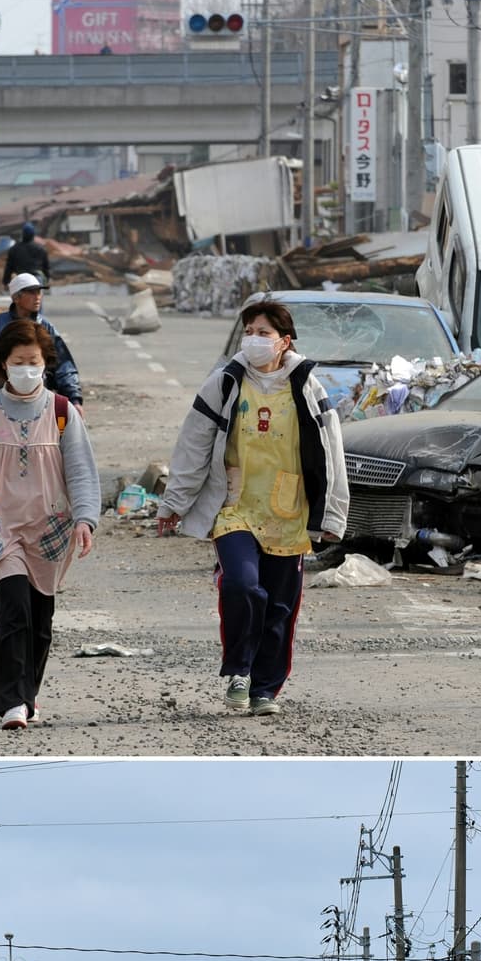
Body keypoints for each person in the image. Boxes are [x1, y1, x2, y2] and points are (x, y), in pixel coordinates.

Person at [156, 298, 348, 716]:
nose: (254, 340)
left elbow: (331, 453)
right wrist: (174, 503)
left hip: (288, 511)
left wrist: (332, 514)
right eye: (249, 332)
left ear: (284, 341)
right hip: (235, 507)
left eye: (264, 333)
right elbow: (193, 444)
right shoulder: (225, 383)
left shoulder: (307, 387)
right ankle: (240, 670)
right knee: (241, 585)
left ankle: (265, 690)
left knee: (280, 606)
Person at [0, 319, 100, 730]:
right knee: (13, 611)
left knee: (40, 620)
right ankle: (11, 702)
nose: (27, 369)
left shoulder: (62, 412)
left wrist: (85, 519)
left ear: (45, 363)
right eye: (19, 361)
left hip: (50, 528)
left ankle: (28, 694)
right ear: (4, 364)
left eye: (33, 361)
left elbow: (81, 471)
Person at [0, 273, 82, 404]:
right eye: (31, 293)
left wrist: (74, 398)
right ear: (16, 298)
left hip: (39, 401)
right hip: (3, 400)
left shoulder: (46, 328)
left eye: (39, 292)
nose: (37, 297)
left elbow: (64, 366)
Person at [1, 220, 51, 289]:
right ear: (33, 235)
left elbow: (9, 267)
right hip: (36, 279)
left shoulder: (14, 249)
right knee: (37, 295)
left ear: (23, 234)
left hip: (21, 280)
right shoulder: (41, 249)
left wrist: (5, 281)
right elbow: (46, 267)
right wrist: (47, 279)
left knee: (21, 295)